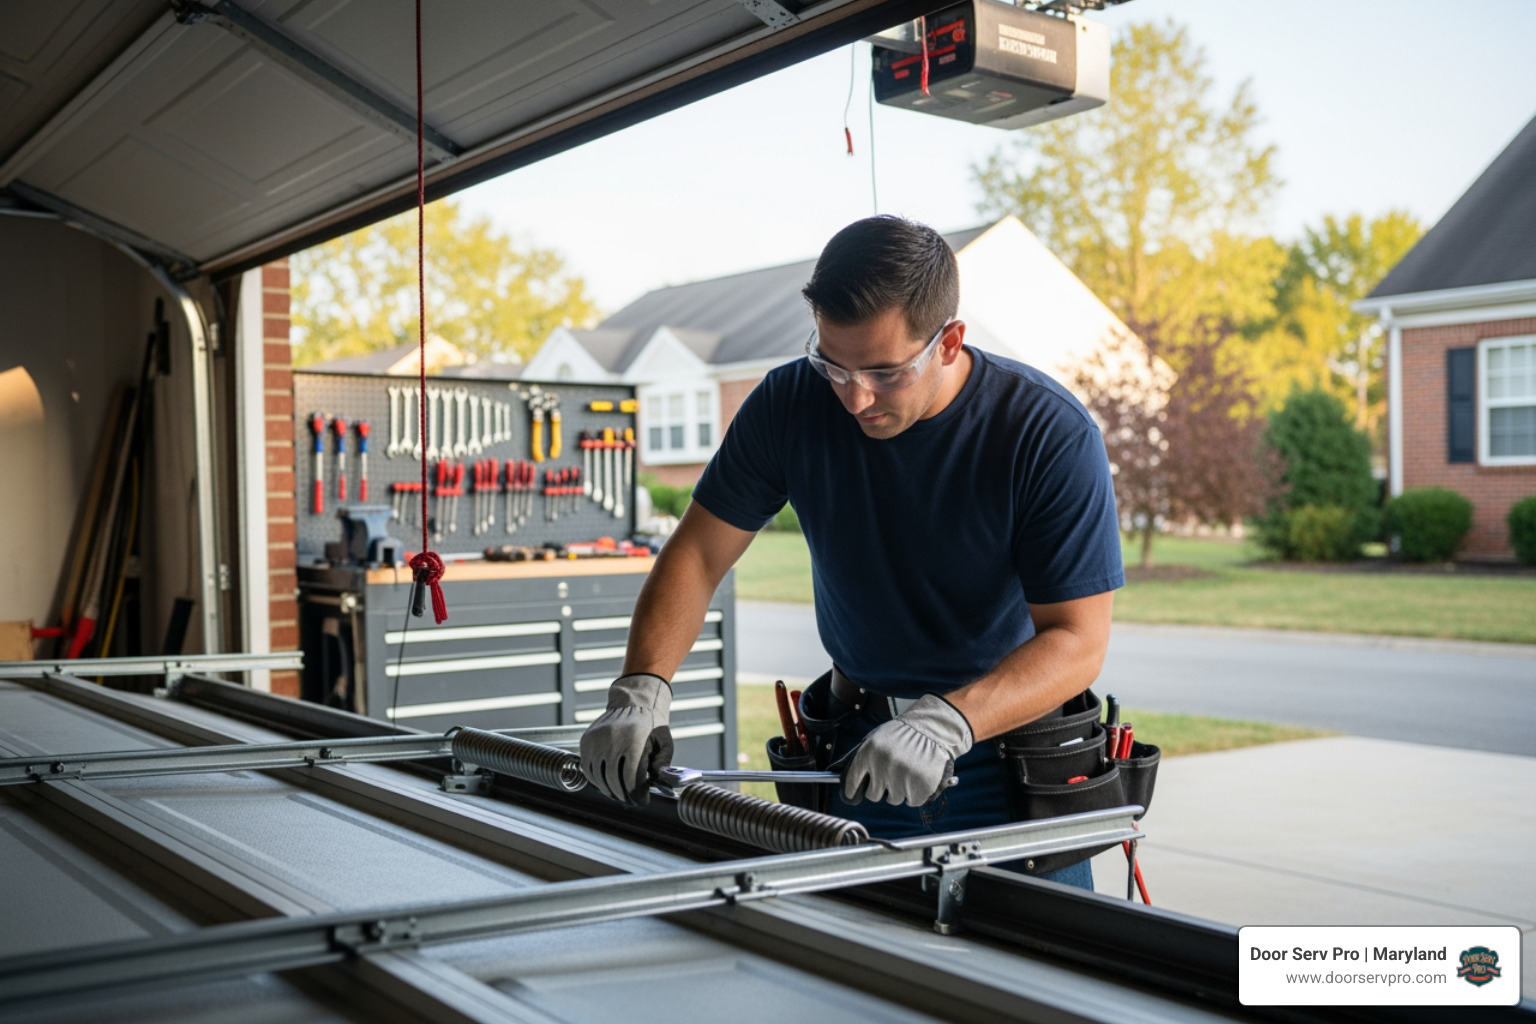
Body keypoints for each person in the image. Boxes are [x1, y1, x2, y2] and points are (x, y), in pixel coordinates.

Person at [579, 215, 1123, 890]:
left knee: (1035, 957)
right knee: (852, 949)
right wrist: (642, 687)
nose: (854, 396)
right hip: (856, 751)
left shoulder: (1046, 432)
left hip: (1009, 765)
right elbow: (697, 555)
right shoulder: (789, 403)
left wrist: (949, 721)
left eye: (885, 372)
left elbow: (1077, 640)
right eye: (833, 364)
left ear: (949, 341)